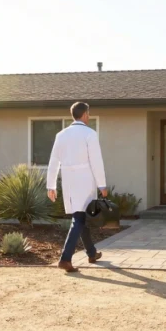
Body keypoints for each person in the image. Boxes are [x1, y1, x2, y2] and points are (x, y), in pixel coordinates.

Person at [47, 102, 108, 273]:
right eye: (88, 114)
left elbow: (53, 161)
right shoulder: (90, 134)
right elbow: (96, 161)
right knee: (80, 218)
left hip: (68, 180)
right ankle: (65, 258)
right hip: (85, 179)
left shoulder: (61, 135)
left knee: (80, 216)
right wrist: (102, 184)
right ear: (85, 114)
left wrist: (51, 185)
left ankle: (91, 253)